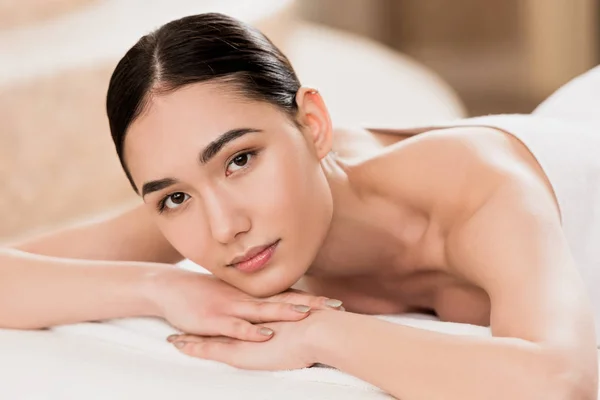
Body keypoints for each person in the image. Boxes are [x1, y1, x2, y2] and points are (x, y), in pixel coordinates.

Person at [2, 12, 599, 400]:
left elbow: (561, 382)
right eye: (174, 197)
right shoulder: (220, 216)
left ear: (312, 123)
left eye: (240, 159)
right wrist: (161, 288)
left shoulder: (480, 187)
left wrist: (325, 336)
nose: (224, 226)